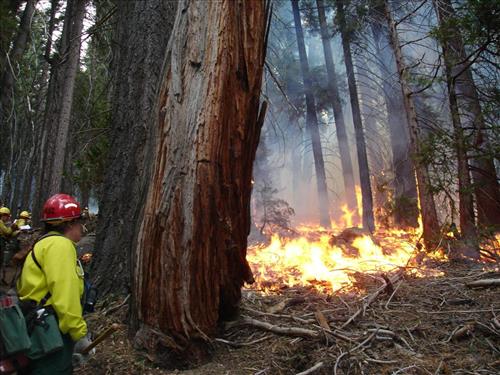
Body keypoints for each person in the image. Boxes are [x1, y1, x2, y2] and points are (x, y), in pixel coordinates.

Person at [17, 194, 90, 374]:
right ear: (70, 223)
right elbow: (66, 295)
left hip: (37, 325)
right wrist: (79, 334)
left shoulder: (45, 243)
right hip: (51, 330)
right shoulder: (60, 245)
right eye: (79, 221)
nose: (82, 226)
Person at [0, 207, 18, 281]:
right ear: (3, 215)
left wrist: (16, 231)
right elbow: (7, 232)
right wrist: (12, 227)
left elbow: (8, 234)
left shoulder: (3, 223)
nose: (7, 218)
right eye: (7, 216)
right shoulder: (0, 222)